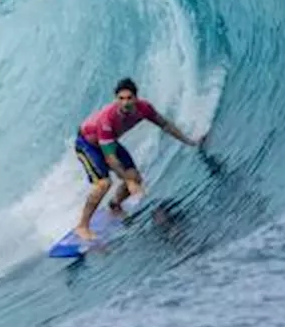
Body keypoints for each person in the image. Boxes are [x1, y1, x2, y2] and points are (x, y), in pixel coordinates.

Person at [72, 77, 203, 241]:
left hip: (108, 143)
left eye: (129, 98)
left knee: (135, 176)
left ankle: (115, 205)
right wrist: (128, 182)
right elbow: (111, 158)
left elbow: (165, 125)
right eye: (121, 99)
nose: (125, 103)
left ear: (136, 98)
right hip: (87, 144)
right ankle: (82, 226)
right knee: (104, 183)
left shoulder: (144, 108)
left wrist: (190, 141)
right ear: (115, 99)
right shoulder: (107, 120)